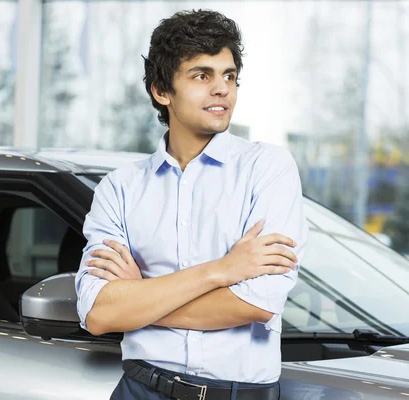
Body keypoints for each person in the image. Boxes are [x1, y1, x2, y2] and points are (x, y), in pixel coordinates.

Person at [75, 9, 308, 400]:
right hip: (139, 388)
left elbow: (256, 303)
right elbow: (98, 313)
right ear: (161, 91)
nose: (222, 89)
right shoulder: (120, 188)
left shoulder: (268, 168)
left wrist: (141, 297)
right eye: (202, 75)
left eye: (229, 76)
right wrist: (222, 270)